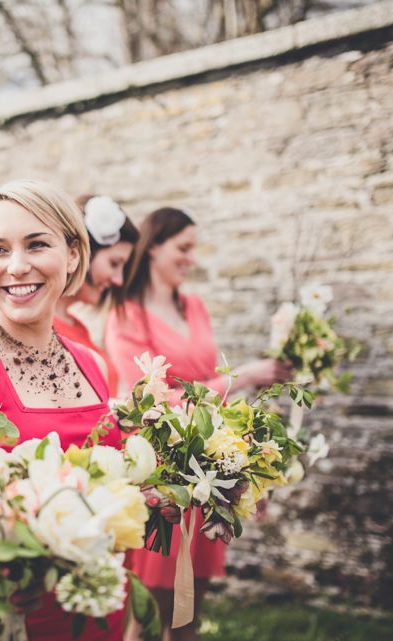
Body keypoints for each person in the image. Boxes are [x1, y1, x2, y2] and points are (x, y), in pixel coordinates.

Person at [0, 179, 124, 641]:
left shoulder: (91, 362)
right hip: (9, 619)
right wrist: (20, 541)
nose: (16, 266)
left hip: (99, 609)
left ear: (72, 254)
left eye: (36, 244)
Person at [105, 207, 291, 641]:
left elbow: (214, 393)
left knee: (190, 616)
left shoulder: (196, 306)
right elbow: (147, 398)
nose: (191, 258)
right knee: (151, 618)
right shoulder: (126, 314)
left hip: (209, 468)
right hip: (162, 470)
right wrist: (242, 374)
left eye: (194, 249)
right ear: (152, 248)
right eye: (182, 248)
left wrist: (247, 471)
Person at [53, 195, 139, 398]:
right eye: (114, 263)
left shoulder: (78, 327)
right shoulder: (45, 331)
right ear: (81, 253)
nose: (118, 280)